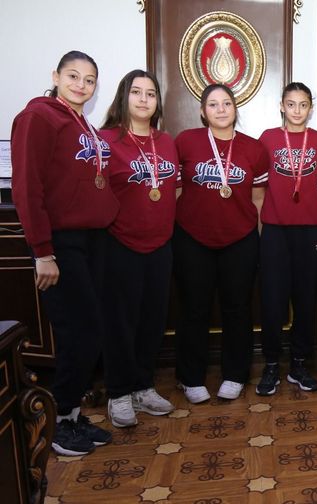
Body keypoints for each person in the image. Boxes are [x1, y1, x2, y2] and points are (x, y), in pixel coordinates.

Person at [11, 50, 117, 455]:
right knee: (79, 331)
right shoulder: (38, 117)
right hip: (61, 242)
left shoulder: (81, 123)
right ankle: (57, 424)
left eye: (89, 80)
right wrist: (43, 251)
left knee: (91, 330)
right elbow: (27, 189)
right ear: (55, 75)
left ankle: (72, 415)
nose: (81, 85)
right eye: (73, 76)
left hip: (93, 242)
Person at [173, 83, 268, 403]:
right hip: (192, 239)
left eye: (226, 103)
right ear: (203, 111)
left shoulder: (254, 149)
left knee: (238, 309)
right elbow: (174, 191)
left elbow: (258, 199)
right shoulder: (186, 141)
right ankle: (190, 377)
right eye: (213, 104)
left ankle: (235, 374)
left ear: (235, 108)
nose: (221, 109)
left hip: (239, 240)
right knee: (194, 310)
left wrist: (255, 239)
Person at [100, 70, 178, 426]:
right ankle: (118, 393)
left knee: (152, 322)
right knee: (121, 323)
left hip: (160, 245)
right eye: (136, 92)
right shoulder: (106, 141)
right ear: (123, 97)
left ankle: (143, 386)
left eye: (151, 93)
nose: (144, 99)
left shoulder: (166, 142)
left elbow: (172, 189)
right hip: (120, 245)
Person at [255, 83, 317, 396]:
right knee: (272, 299)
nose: (297, 110)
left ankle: (299, 362)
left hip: (310, 230)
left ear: (310, 108)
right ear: (281, 106)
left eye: (303, 105)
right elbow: (257, 187)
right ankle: (272, 363)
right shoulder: (268, 139)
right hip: (275, 230)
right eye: (291, 104)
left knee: (305, 298)